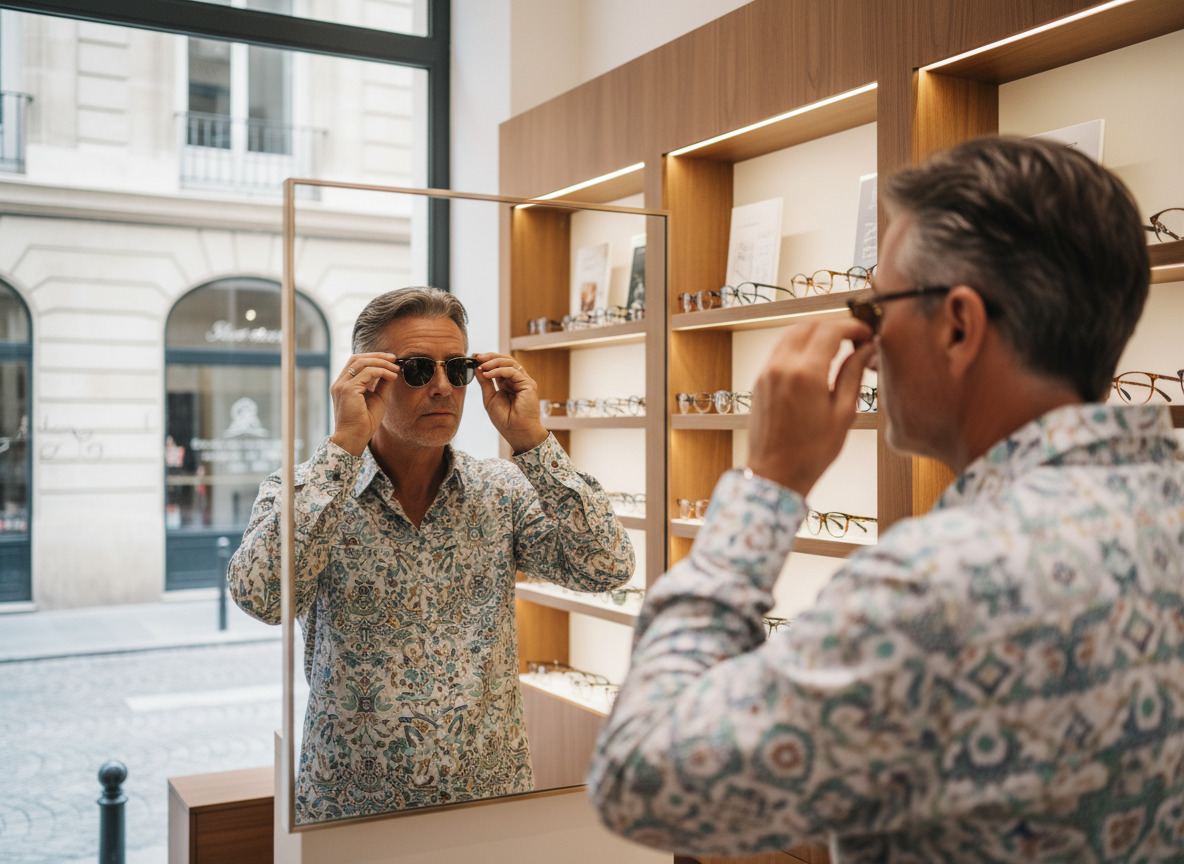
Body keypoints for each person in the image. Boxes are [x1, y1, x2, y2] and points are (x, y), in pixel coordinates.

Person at [587, 136, 1184, 862]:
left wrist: (767, 486)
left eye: (875, 308)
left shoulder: (937, 587)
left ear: (959, 325)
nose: (867, 342)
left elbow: (639, 778)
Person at [229, 286, 634, 823]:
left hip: (490, 803)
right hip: (353, 811)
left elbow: (606, 565)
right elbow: (263, 599)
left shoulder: (501, 489)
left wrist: (533, 440)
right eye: (418, 369)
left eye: (458, 369)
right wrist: (345, 443)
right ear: (369, 378)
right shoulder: (310, 490)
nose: (443, 387)